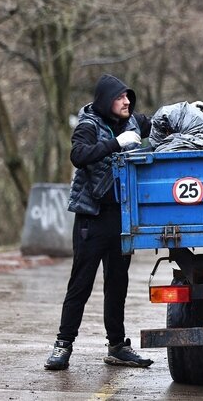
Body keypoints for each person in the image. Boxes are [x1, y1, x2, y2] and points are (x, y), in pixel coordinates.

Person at [45, 74, 154, 371]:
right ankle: (63, 345)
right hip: (91, 219)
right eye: (120, 97)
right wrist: (116, 144)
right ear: (106, 101)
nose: (127, 102)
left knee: (117, 284)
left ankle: (117, 346)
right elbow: (78, 156)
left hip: (121, 217)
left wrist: (192, 112)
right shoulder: (88, 124)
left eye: (128, 97)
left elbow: (162, 122)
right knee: (80, 284)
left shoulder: (134, 122)